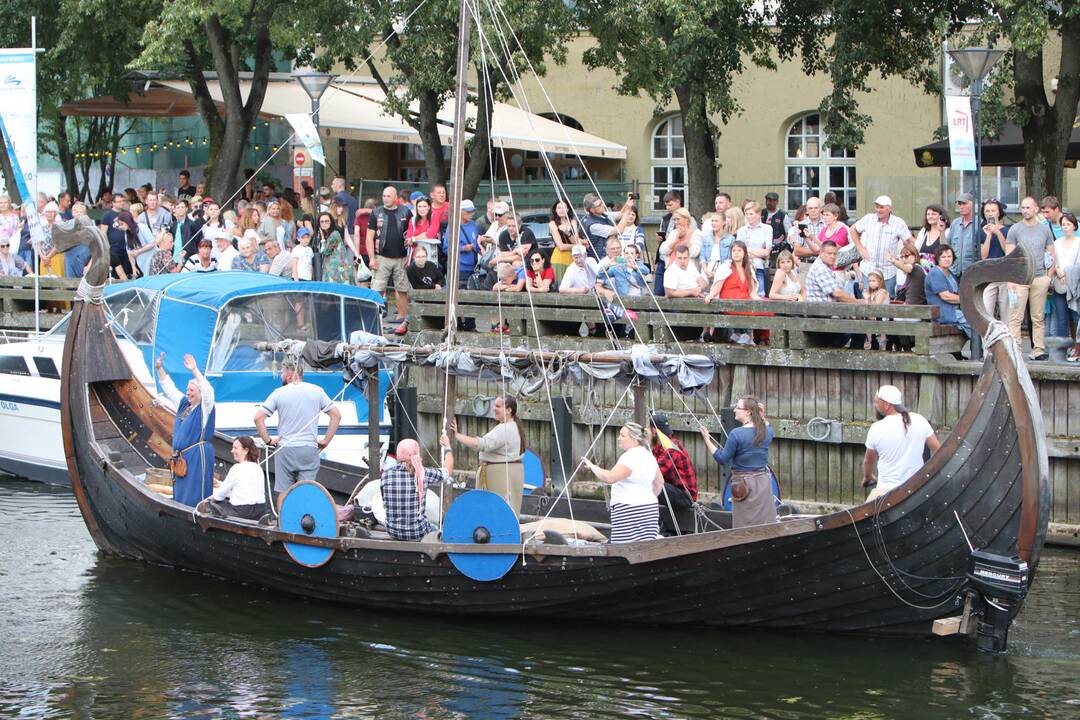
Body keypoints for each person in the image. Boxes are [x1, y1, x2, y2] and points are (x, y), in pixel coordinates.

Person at [255, 361, 341, 496]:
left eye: (282, 373)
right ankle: (303, 516)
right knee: (306, 491)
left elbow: (258, 418)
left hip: (286, 448)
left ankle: (283, 517)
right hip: (308, 448)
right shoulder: (317, 391)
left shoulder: (279, 393)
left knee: (284, 492)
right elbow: (336, 416)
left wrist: (268, 440)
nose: (281, 377)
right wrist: (325, 441)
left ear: (290, 375)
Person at [699, 396, 777, 528]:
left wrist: (707, 439)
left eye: (738, 407)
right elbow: (765, 424)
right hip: (763, 483)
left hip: (743, 485)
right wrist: (761, 415)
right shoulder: (768, 431)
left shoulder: (737, 434)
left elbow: (722, 459)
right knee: (765, 523)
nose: (734, 410)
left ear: (748, 412)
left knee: (744, 526)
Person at [581, 422, 662, 543]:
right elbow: (660, 482)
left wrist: (592, 466)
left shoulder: (630, 457)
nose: (619, 438)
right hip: (650, 509)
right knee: (646, 546)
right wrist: (644, 499)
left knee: (624, 547)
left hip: (629, 511)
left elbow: (610, 478)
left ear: (634, 439)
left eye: (623, 436)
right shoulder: (649, 456)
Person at [156, 353, 215, 507]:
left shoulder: (205, 408)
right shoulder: (185, 404)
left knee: (195, 495)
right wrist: (159, 369)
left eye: (192, 390)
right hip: (181, 458)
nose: (188, 392)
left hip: (197, 456)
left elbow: (208, 391)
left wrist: (194, 370)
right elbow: (170, 389)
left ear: (200, 393)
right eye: (187, 390)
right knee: (181, 494)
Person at [862, 385, 940, 501]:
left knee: (865, 515)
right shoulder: (920, 420)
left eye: (876, 402)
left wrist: (867, 477)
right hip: (916, 488)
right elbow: (939, 451)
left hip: (886, 491)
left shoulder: (876, 428)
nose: (875, 405)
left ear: (887, 405)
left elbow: (868, 461)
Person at [450, 396, 526, 514]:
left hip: (501, 475)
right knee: (506, 511)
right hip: (509, 472)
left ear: (508, 410)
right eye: (494, 405)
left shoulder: (505, 428)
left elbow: (481, 444)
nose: (494, 409)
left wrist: (457, 436)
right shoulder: (513, 426)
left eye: (498, 406)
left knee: (497, 512)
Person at [1006, 196, 1058, 361]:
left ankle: (1038, 349)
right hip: (1020, 278)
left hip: (1039, 277)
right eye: (1022, 207)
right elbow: (1009, 257)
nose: (1025, 210)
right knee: (1016, 316)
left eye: (1028, 207)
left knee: (1038, 316)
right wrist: (1011, 279)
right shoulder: (1015, 229)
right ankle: (1016, 349)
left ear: (1036, 209)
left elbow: (1052, 254)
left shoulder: (1044, 230)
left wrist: (1048, 277)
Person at [381, 436, 455, 541]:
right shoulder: (423, 473)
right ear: (417, 455)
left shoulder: (385, 475)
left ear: (398, 455)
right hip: (418, 532)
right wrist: (447, 447)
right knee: (436, 529)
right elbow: (448, 471)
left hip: (393, 532)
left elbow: (385, 502)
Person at [367, 186, 414, 332]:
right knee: (377, 289)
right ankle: (373, 317)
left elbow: (412, 234)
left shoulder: (405, 211)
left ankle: (402, 318)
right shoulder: (376, 212)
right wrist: (371, 258)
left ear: (395, 198)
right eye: (384, 195)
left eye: (388, 196)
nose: (385, 198)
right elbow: (369, 237)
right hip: (382, 257)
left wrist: (409, 255)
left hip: (401, 257)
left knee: (402, 289)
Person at [850, 195, 913, 297]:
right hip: (868, 269)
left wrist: (905, 260)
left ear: (890, 209)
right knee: (867, 303)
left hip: (888, 272)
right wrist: (860, 248)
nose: (878, 210)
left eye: (882, 207)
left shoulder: (898, 223)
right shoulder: (868, 218)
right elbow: (853, 229)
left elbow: (909, 242)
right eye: (877, 207)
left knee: (887, 303)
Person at [649, 414, 698, 536]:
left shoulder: (671, 448)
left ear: (653, 431)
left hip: (686, 497)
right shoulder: (659, 447)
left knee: (653, 485)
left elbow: (653, 472)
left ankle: (653, 524)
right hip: (675, 492)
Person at [704, 240, 760, 345]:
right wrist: (710, 295)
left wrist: (760, 302)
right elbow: (717, 287)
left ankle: (754, 337)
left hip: (745, 300)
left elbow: (752, 292)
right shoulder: (725, 268)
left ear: (744, 253)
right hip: (730, 302)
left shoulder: (749, 268)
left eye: (739, 250)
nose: (736, 252)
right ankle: (741, 335)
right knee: (743, 308)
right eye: (734, 250)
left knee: (766, 309)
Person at [208, 437, 269, 520]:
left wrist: (210, 500)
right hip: (260, 511)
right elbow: (244, 489)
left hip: (242, 511)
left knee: (212, 505)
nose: (232, 451)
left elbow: (220, 495)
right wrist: (220, 484)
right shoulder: (258, 468)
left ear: (246, 450)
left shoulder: (236, 468)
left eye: (235, 448)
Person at [979, 199, 1011, 320]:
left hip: (1005, 274)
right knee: (986, 311)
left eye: (993, 210)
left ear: (999, 213)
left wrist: (997, 232)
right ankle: (988, 339)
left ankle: (1007, 338)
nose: (990, 213)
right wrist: (989, 236)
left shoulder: (1007, 230)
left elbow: (1007, 251)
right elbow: (983, 256)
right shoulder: (981, 232)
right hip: (988, 275)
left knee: (1006, 313)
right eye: (987, 211)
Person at [1050, 212, 1080, 340]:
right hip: (1059, 284)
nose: (1065, 227)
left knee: (1076, 316)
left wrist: (1067, 275)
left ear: (1074, 226)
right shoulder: (1056, 243)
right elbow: (1053, 260)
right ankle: (1063, 349)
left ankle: (1077, 346)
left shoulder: (1079, 243)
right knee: (1061, 318)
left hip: (1075, 285)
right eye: (1063, 224)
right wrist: (1058, 271)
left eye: (1068, 224)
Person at [736, 202, 772, 292]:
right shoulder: (741, 231)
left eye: (751, 214)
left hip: (760, 267)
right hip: (745, 267)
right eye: (746, 214)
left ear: (759, 214)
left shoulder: (767, 229)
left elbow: (766, 253)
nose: (748, 216)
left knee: (760, 294)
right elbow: (739, 251)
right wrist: (760, 252)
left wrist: (747, 249)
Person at [548, 197, 584, 284]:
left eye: (564, 208)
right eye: (559, 208)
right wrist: (578, 246)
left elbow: (576, 241)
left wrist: (567, 232)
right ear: (555, 210)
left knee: (575, 284)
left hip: (574, 258)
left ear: (568, 209)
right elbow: (561, 246)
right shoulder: (553, 224)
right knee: (561, 285)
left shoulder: (573, 221)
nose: (561, 210)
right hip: (559, 258)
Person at [316, 211, 352, 284]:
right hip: (334, 270)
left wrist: (322, 239)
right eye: (322, 222)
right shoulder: (328, 235)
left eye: (326, 221)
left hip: (337, 272)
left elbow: (325, 252)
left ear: (331, 222)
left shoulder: (334, 234)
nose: (324, 224)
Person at [950, 192, 979, 278]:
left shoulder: (979, 223)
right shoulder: (955, 223)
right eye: (959, 204)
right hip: (955, 271)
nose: (961, 207)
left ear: (973, 204)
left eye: (964, 203)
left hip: (972, 272)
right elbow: (949, 245)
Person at [792, 196, 826, 261]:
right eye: (810, 208)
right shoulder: (801, 225)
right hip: (806, 264)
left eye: (816, 208)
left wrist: (809, 251)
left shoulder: (827, 224)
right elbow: (797, 251)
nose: (813, 210)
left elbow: (832, 248)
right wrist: (818, 251)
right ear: (807, 210)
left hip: (825, 264)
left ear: (821, 209)